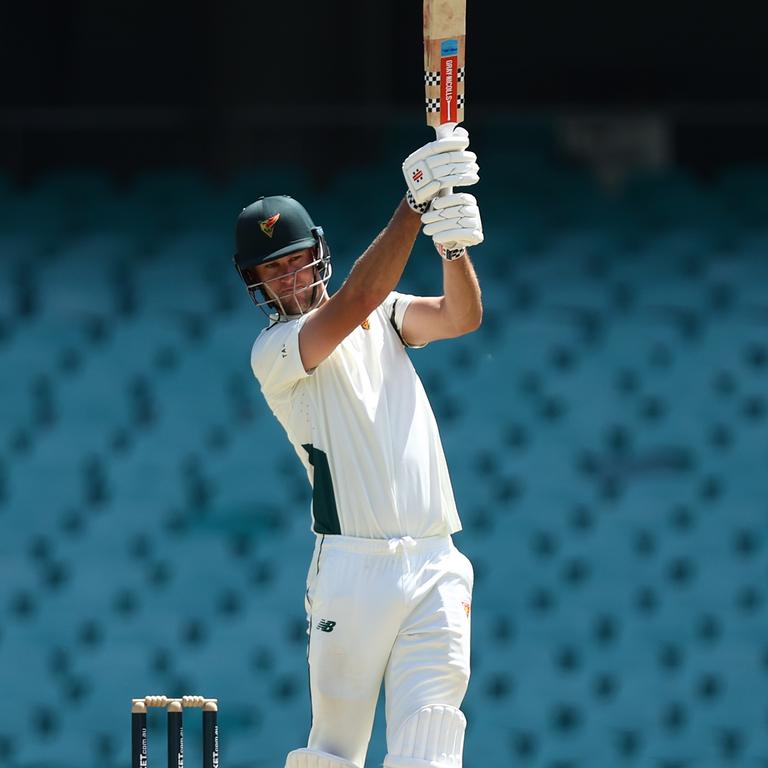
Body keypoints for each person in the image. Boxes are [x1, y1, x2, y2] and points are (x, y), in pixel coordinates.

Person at [233, 126, 484, 768]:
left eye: (295, 260)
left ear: (319, 252)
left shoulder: (390, 316)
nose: (290, 278)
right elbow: (358, 298)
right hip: (351, 570)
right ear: (257, 284)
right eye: (274, 269)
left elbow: (462, 317)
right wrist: (415, 203)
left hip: (435, 559)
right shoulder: (277, 353)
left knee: (432, 742)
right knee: (335, 752)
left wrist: (451, 244)